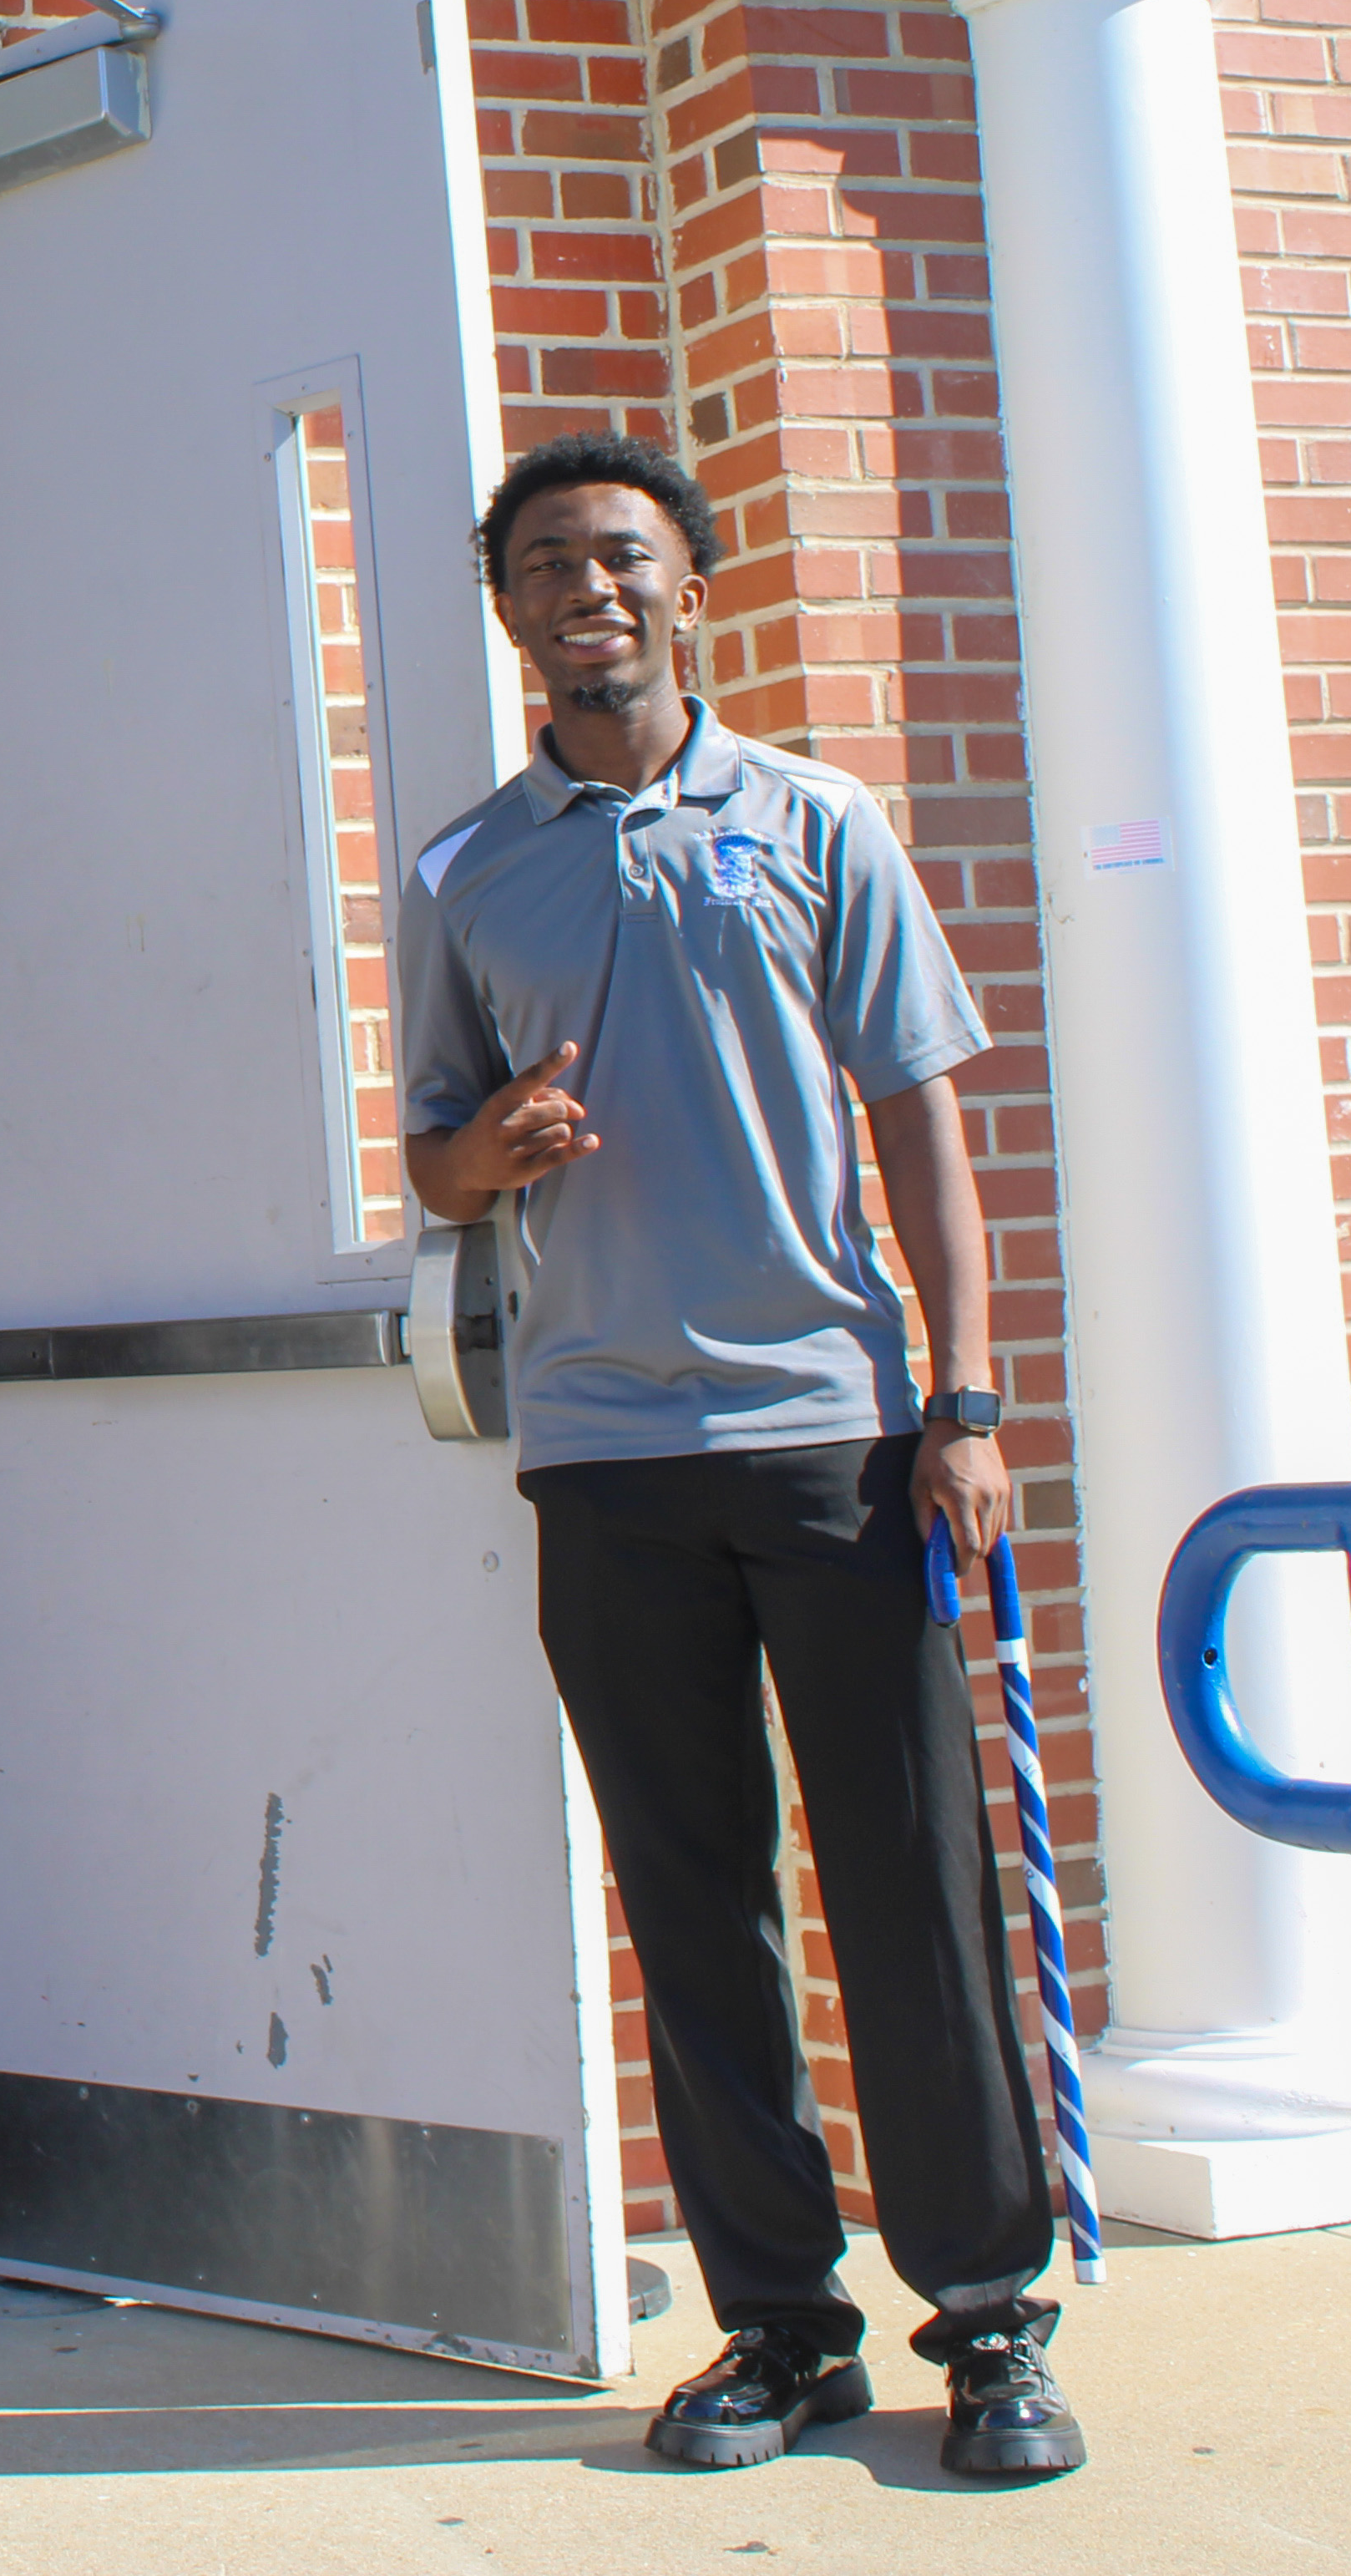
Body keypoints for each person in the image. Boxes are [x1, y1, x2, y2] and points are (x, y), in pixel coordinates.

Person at [392, 428, 1080, 2484]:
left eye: (620, 554)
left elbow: (922, 1122)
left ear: (690, 584)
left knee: (909, 1890)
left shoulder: (815, 819)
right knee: (694, 1902)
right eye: (544, 563)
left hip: (832, 1437)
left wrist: (963, 1399)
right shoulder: (462, 869)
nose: (585, 586)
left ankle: (989, 2318)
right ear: (507, 607)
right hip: (602, 1455)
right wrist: (484, 1150)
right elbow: (429, 1157)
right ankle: (781, 2327)